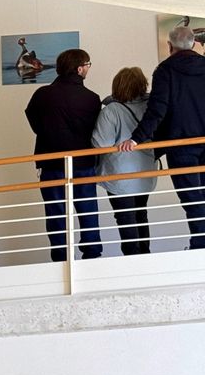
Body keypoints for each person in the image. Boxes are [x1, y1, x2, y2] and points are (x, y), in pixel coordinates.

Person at [121, 25, 205, 249]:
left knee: (192, 200)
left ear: (170, 46)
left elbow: (158, 109)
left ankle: (200, 248)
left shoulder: (165, 70)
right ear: (195, 43)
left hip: (181, 146)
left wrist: (136, 138)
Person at [25, 48, 102, 261]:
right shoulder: (92, 98)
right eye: (87, 65)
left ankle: (60, 259)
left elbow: (35, 124)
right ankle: (92, 256)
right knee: (88, 211)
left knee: (56, 214)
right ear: (79, 69)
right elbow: (96, 131)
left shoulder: (42, 95)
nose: (88, 69)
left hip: (51, 163)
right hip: (84, 163)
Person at [96, 68, 156, 255]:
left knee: (125, 217)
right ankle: (144, 257)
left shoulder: (112, 110)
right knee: (140, 214)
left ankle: (132, 260)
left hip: (119, 176)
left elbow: (101, 143)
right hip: (146, 172)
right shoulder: (152, 107)